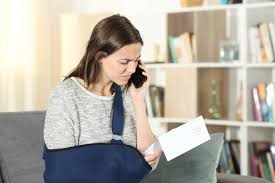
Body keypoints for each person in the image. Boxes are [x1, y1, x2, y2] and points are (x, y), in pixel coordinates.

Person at [43, 14, 162, 177]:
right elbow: (62, 171)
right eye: (125, 62)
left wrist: (138, 101)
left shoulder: (129, 95)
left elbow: (149, 160)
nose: (133, 69)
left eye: (137, 60)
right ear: (99, 57)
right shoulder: (65, 97)